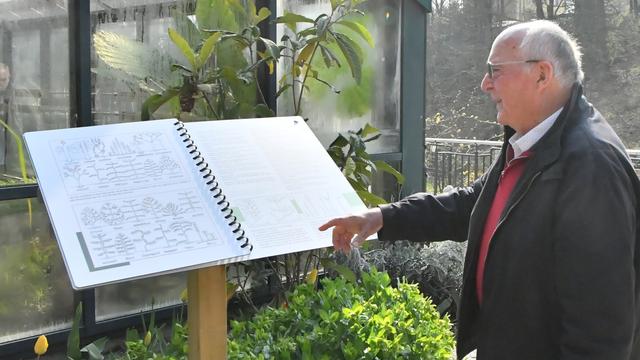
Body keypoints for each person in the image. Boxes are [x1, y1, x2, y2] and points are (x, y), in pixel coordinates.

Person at [319, 20, 640, 360]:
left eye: (496, 70)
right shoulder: (535, 140)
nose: (485, 84)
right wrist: (381, 218)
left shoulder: (591, 167)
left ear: (542, 75)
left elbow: (600, 331)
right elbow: (473, 204)